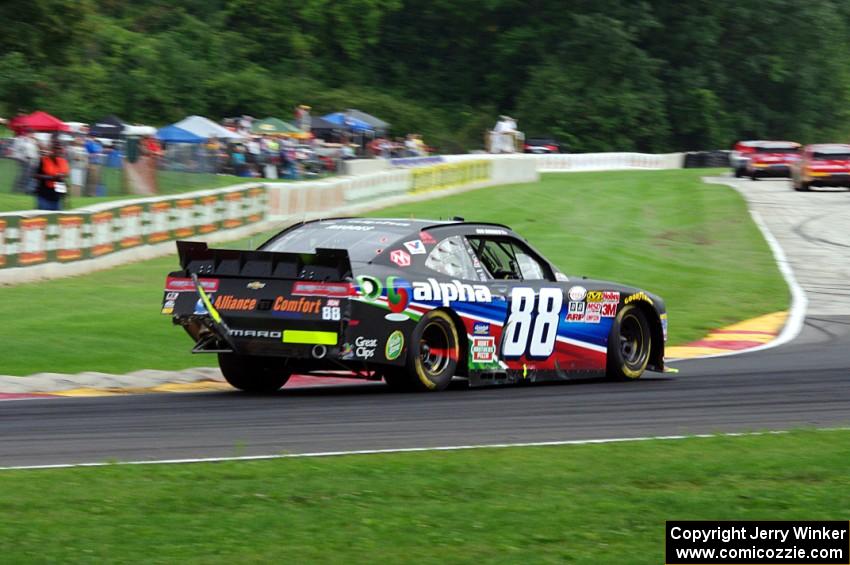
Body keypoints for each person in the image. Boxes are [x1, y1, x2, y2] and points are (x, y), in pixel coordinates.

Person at [34, 137, 69, 211]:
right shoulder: (43, 160)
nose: (58, 150)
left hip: (57, 197)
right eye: (55, 148)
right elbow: (36, 175)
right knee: (43, 217)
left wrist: (64, 197)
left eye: (59, 148)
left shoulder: (63, 161)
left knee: (56, 219)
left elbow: (63, 179)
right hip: (44, 195)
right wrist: (51, 178)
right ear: (51, 149)